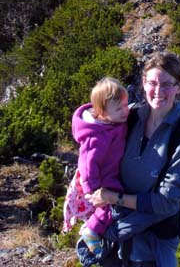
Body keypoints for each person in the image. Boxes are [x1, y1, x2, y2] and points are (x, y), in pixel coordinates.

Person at [85, 51, 180, 267]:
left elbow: (167, 203)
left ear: (179, 87)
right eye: (152, 82)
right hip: (115, 241)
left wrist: (113, 198)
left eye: (167, 84)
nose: (158, 91)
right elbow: (93, 138)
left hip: (153, 250)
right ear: (143, 83)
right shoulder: (129, 117)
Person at [63, 77, 129, 258]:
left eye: (126, 105)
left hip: (112, 173)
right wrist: (92, 190)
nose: (125, 111)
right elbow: (86, 165)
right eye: (119, 108)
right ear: (101, 112)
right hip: (102, 179)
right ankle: (91, 231)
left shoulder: (114, 121)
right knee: (110, 205)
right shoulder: (95, 137)